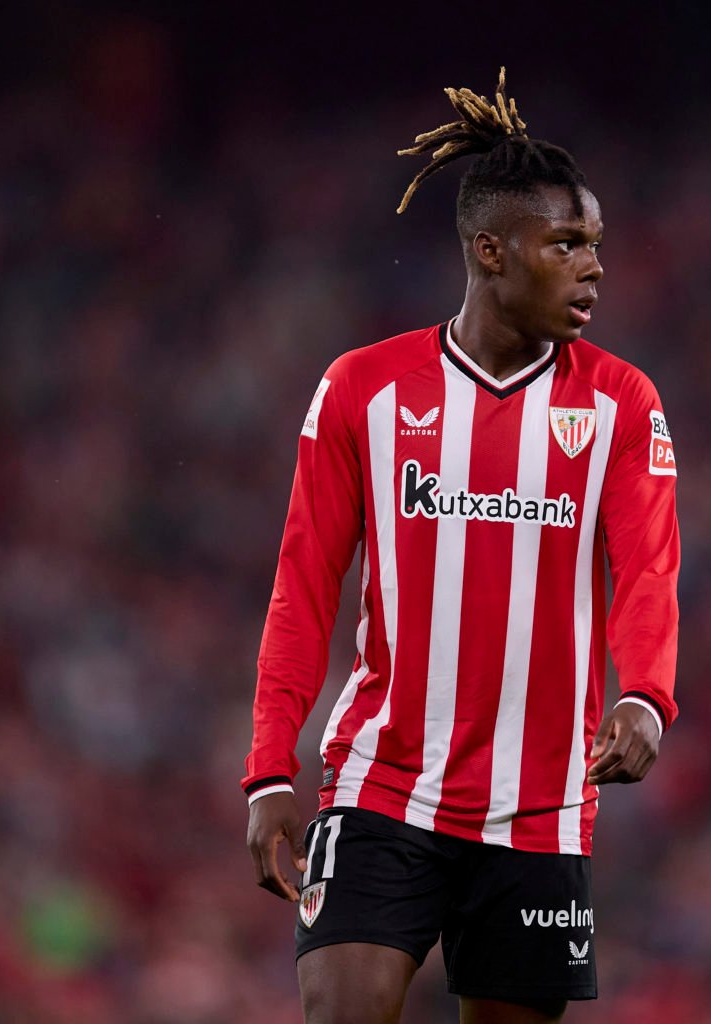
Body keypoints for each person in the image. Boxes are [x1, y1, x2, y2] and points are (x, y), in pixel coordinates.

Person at [244, 69, 680, 1024]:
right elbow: (304, 584)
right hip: (380, 789)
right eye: (565, 245)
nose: (593, 268)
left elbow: (649, 568)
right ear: (490, 250)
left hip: (539, 809)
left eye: (596, 246)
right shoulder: (364, 389)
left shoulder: (621, 402)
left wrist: (645, 693)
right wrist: (272, 766)